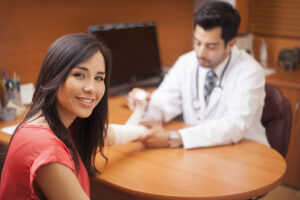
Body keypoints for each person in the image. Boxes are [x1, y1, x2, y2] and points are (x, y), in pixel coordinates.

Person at [0, 33, 148, 199]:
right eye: (79, 75)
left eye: (99, 78)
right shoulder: (45, 148)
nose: (92, 88)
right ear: (54, 75)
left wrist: (143, 132)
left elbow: (109, 134)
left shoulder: (59, 123)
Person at [128, 1, 270, 149]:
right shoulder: (186, 62)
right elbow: (164, 102)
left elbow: (234, 126)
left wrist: (174, 138)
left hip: (245, 153)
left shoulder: (250, 71)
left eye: (211, 46)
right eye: (197, 42)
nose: (200, 53)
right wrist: (144, 104)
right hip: (201, 152)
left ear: (231, 44)